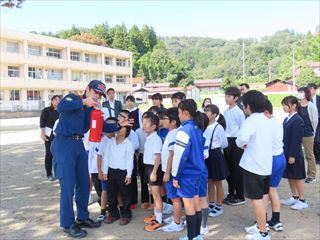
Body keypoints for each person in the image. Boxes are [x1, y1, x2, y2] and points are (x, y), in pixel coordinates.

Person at [51, 80, 122, 238]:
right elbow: (61, 107)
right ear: (87, 89)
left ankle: (82, 217)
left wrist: (119, 125)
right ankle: (68, 223)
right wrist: (83, 101)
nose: (97, 96)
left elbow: (101, 126)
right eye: (95, 92)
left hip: (79, 144)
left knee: (84, 183)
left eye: (100, 94)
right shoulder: (73, 98)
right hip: (64, 143)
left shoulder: (91, 109)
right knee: (68, 186)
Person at [236, 90, 273, 240]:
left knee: (256, 200)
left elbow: (241, 140)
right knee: (263, 196)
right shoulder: (267, 119)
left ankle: (263, 233)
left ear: (248, 106)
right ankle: (260, 226)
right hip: (265, 164)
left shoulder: (250, 121)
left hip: (253, 166)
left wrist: (244, 144)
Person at [172, 99, 206, 240]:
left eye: (179, 113)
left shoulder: (184, 131)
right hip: (198, 171)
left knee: (189, 205)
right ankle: (197, 235)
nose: (178, 116)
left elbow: (180, 156)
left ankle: (191, 237)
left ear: (185, 113)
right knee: (196, 203)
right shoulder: (197, 128)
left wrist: (175, 176)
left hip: (187, 173)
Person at [280, 96, 308, 210]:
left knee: (298, 177)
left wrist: (292, 155)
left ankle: (302, 200)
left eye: (286, 104)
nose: (284, 107)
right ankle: (295, 197)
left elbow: (296, 139)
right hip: (286, 151)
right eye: (283, 104)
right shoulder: (287, 118)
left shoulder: (297, 119)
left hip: (294, 153)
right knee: (290, 176)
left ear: (294, 105)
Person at [103, 125, 135, 225]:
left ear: (126, 132)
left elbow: (130, 160)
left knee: (126, 194)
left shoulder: (128, 144)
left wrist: (129, 174)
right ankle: (113, 213)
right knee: (111, 194)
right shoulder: (111, 142)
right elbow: (106, 157)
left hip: (123, 172)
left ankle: (126, 215)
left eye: (122, 128)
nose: (119, 129)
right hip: (111, 171)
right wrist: (105, 171)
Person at [161, 107, 184, 233]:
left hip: (171, 172)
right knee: (173, 197)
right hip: (169, 170)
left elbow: (172, 155)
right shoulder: (171, 132)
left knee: (175, 198)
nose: (162, 120)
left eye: (165, 118)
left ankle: (177, 222)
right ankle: (176, 217)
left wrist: (167, 172)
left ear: (173, 121)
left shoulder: (175, 133)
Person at [203, 104, 229, 218]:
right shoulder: (203, 126)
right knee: (209, 181)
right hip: (206, 155)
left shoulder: (218, 127)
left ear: (214, 115)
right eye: (204, 111)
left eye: (207, 112)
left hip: (215, 154)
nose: (205, 114)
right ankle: (211, 203)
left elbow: (224, 143)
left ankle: (219, 206)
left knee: (218, 182)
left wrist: (215, 147)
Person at [223, 87, 246, 205]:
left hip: (236, 142)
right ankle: (231, 193)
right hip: (227, 141)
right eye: (226, 96)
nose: (226, 98)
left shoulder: (239, 112)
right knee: (229, 169)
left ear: (236, 98)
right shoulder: (226, 111)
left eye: (229, 96)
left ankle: (240, 195)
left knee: (237, 169)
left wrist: (241, 143)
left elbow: (243, 128)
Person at [142, 112, 164, 231]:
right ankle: (156, 215)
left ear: (153, 126)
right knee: (153, 194)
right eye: (143, 122)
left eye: (146, 123)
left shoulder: (156, 139)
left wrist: (154, 172)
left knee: (156, 196)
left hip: (153, 168)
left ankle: (159, 221)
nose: (143, 125)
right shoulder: (149, 137)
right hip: (149, 167)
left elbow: (158, 157)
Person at [297, 87, 318, 183]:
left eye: (301, 92)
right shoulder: (297, 105)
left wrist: (312, 132)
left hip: (307, 133)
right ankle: (299, 173)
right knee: (297, 154)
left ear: (306, 94)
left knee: (309, 154)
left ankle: (312, 175)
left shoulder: (311, 106)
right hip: (297, 133)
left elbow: (315, 120)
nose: (299, 94)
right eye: (299, 92)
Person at [40, 95, 61, 181]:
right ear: (52, 101)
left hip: (59, 136)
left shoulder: (61, 111)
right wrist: (42, 134)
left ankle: (58, 173)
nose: (57, 101)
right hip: (49, 136)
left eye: (59, 100)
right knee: (49, 154)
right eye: (55, 100)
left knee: (58, 155)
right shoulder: (46, 110)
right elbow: (42, 123)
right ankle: (49, 174)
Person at [136, 113, 151, 209]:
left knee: (153, 181)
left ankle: (154, 201)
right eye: (143, 120)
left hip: (152, 158)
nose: (145, 123)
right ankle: (145, 200)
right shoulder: (137, 131)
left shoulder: (154, 131)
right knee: (143, 180)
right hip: (142, 156)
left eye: (147, 120)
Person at [307, 83, 320, 165]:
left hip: (319, 122)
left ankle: (318, 158)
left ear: (315, 89)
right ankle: (314, 157)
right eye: (308, 88)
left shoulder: (319, 98)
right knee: (313, 141)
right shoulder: (306, 100)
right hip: (309, 123)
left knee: (318, 140)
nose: (310, 90)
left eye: (311, 88)